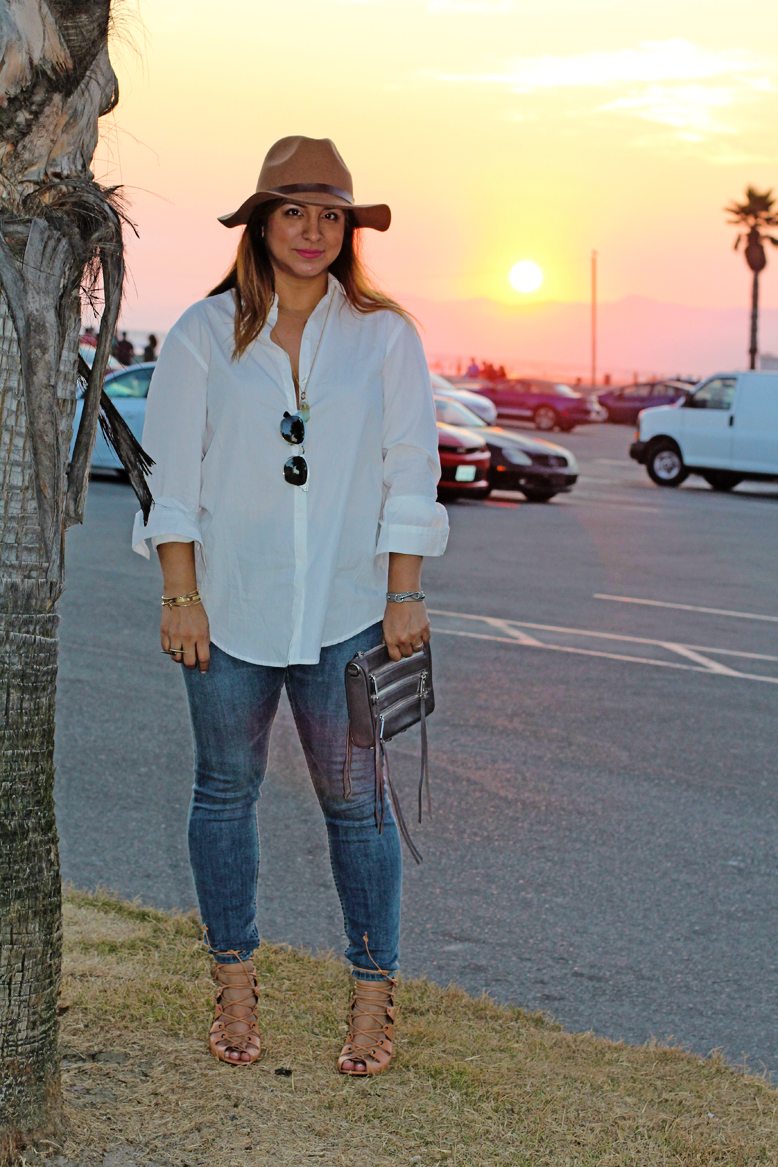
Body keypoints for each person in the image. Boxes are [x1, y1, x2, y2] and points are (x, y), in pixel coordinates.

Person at [131, 136, 448, 1075]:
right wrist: (179, 593)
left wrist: (404, 595)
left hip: (349, 616)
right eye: (295, 211)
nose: (314, 230)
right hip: (226, 611)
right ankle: (233, 986)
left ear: (350, 229)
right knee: (224, 794)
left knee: (359, 808)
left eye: (331, 214)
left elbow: (409, 473)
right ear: (261, 224)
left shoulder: (385, 336)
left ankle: (372, 997)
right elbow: (170, 479)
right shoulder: (202, 333)